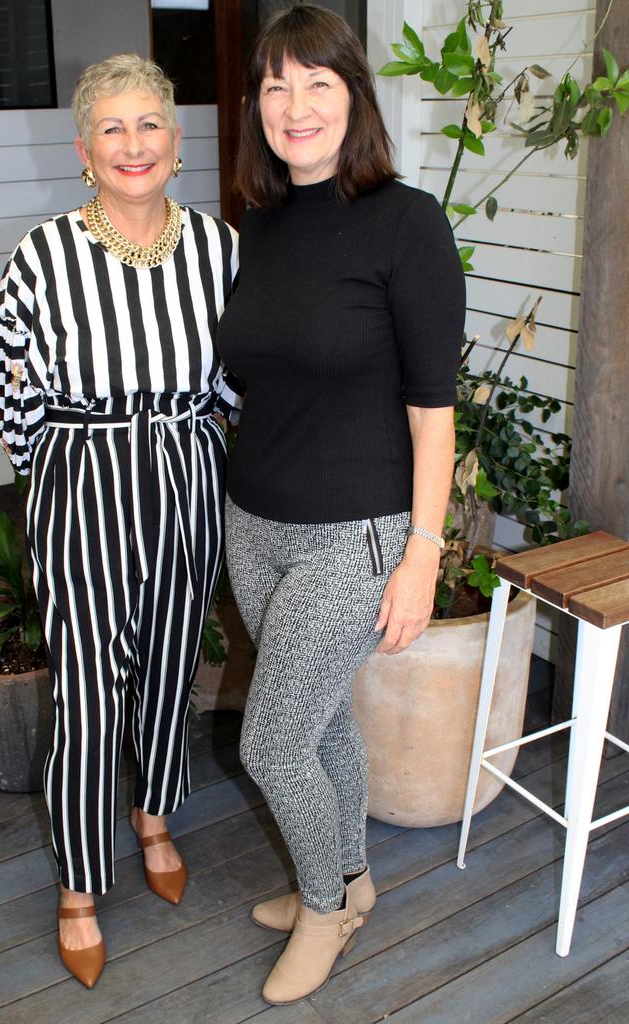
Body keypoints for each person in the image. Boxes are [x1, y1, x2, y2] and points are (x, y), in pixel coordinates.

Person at [216, 4, 466, 1006]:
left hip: (356, 536)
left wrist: (422, 552)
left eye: (317, 81)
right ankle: (352, 872)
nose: (294, 104)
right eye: (274, 85)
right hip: (254, 522)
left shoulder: (407, 223)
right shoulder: (260, 225)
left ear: (353, 95)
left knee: (268, 740)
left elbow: (434, 416)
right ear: (257, 108)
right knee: (318, 729)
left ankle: (329, 907)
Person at [0, 54, 240, 989]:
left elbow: (238, 372)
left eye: (151, 125)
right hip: (85, 479)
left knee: (174, 657)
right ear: (85, 150)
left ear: (177, 141)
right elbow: (3, 376)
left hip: (186, 475)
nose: (134, 145)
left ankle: (155, 815)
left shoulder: (219, 248)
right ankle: (80, 882)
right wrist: (53, 462)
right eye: (113, 129)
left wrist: (210, 437)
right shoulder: (46, 253)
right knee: (89, 685)